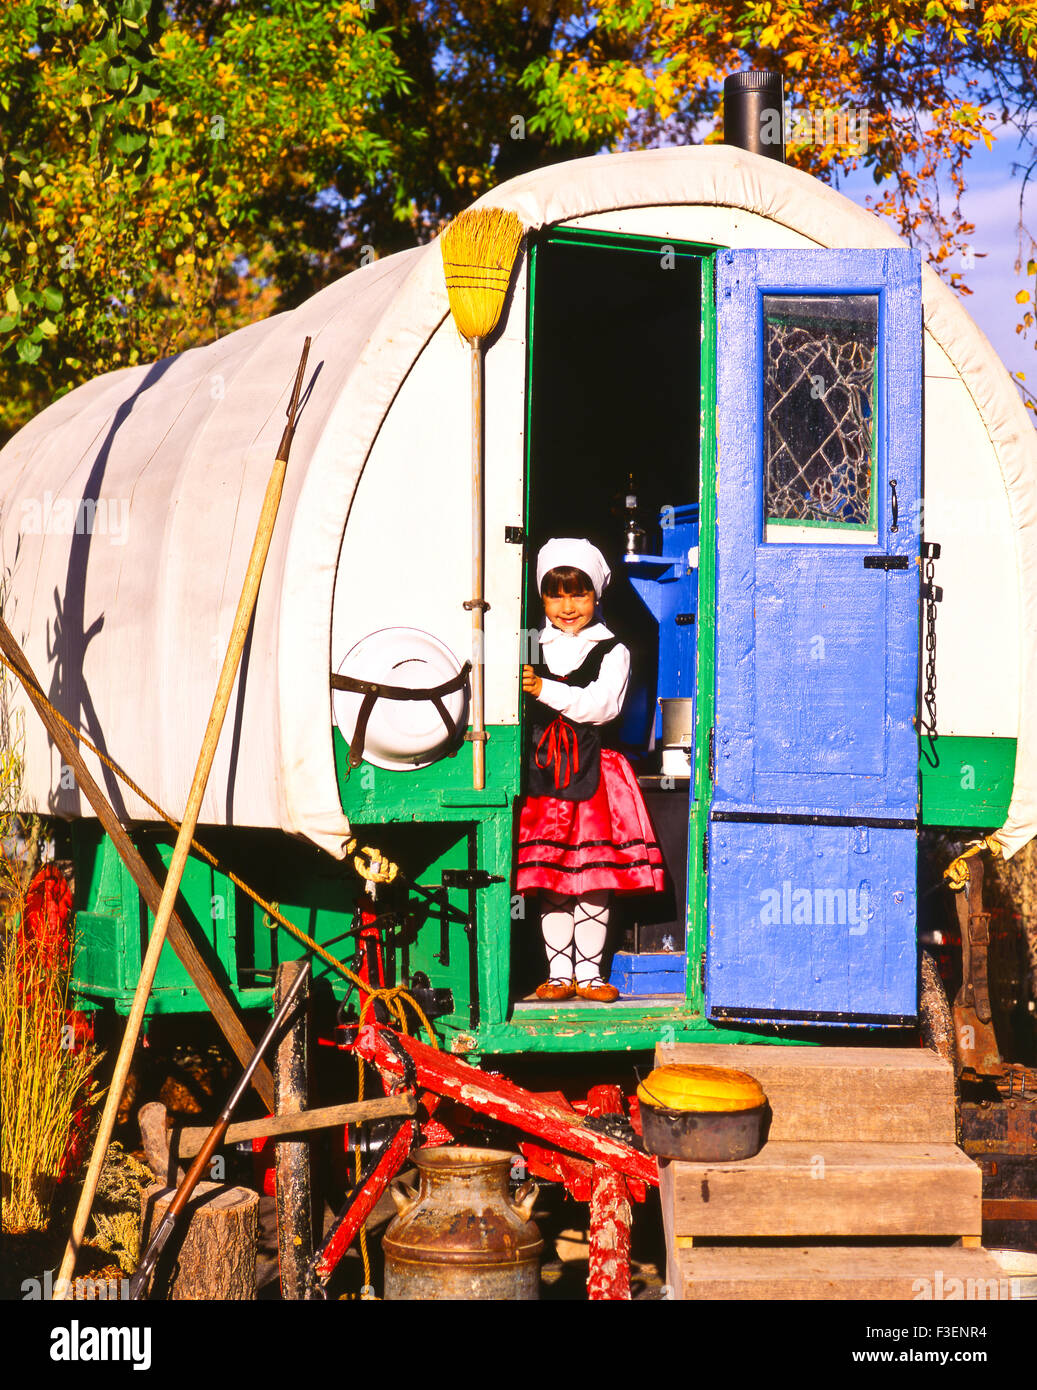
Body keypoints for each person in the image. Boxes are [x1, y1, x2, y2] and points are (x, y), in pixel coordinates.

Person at [516, 537, 665, 1003]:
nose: (567, 605)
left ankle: (591, 972)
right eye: (555, 593)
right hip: (543, 775)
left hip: (596, 776)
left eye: (578, 593)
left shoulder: (613, 649)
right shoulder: (525, 643)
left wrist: (542, 689)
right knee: (552, 879)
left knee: (595, 880)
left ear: (596, 596)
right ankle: (558, 973)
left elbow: (600, 707)